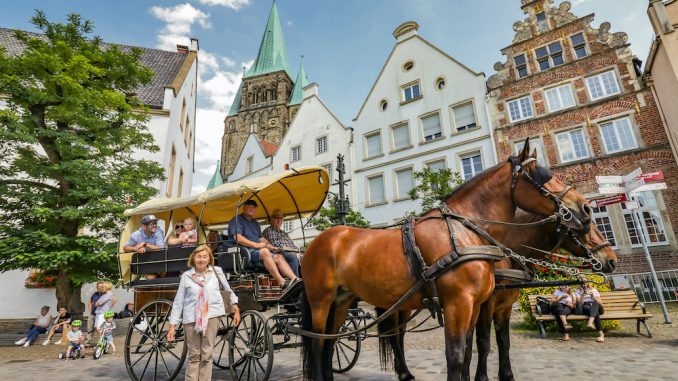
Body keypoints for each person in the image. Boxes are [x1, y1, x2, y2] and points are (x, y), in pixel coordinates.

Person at [167, 245, 241, 381]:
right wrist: (172, 326)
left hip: (212, 316)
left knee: (207, 354)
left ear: (209, 259)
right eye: (199, 256)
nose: (201, 260)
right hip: (191, 318)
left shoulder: (216, 271)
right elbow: (178, 302)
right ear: (193, 258)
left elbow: (229, 291)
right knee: (194, 355)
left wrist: (236, 309)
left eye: (205, 256)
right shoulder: (186, 276)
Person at [228, 199, 298, 288]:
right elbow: (238, 238)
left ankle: (295, 280)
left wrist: (271, 246)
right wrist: (256, 245)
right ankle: (281, 281)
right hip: (244, 252)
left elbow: (261, 238)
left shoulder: (255, 223)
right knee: (265, 251)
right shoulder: (236, 220)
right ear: (244, 208)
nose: (251, 209)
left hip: (256, 251)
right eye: (249, 207)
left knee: (278, 256)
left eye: (254, 207)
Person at [262, 209, 301, 277]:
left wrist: (296, 250)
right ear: (272, 220)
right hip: (277, 252)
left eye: (280, 218)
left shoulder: (284, 233)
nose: (279, 220)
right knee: (292, 256)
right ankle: (295, 281)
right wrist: (291, 249)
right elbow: (276, 245)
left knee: (304, 256)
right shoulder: (269, 230)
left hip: (288, 251)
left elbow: (293, 245)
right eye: (276, 218)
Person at [85, 281, 105, 346]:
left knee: (99, 329)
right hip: (92, 314)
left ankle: (100, 343)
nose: (100, 288)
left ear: (103, 287)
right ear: (97, 287)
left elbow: (113, 301)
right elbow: (90, 302)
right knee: (89, 328)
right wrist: (90, 311)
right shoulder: (95, 294)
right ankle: (87, 342)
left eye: (101, 287)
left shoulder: (105, 295)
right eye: (98, 287)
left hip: (100, 315)